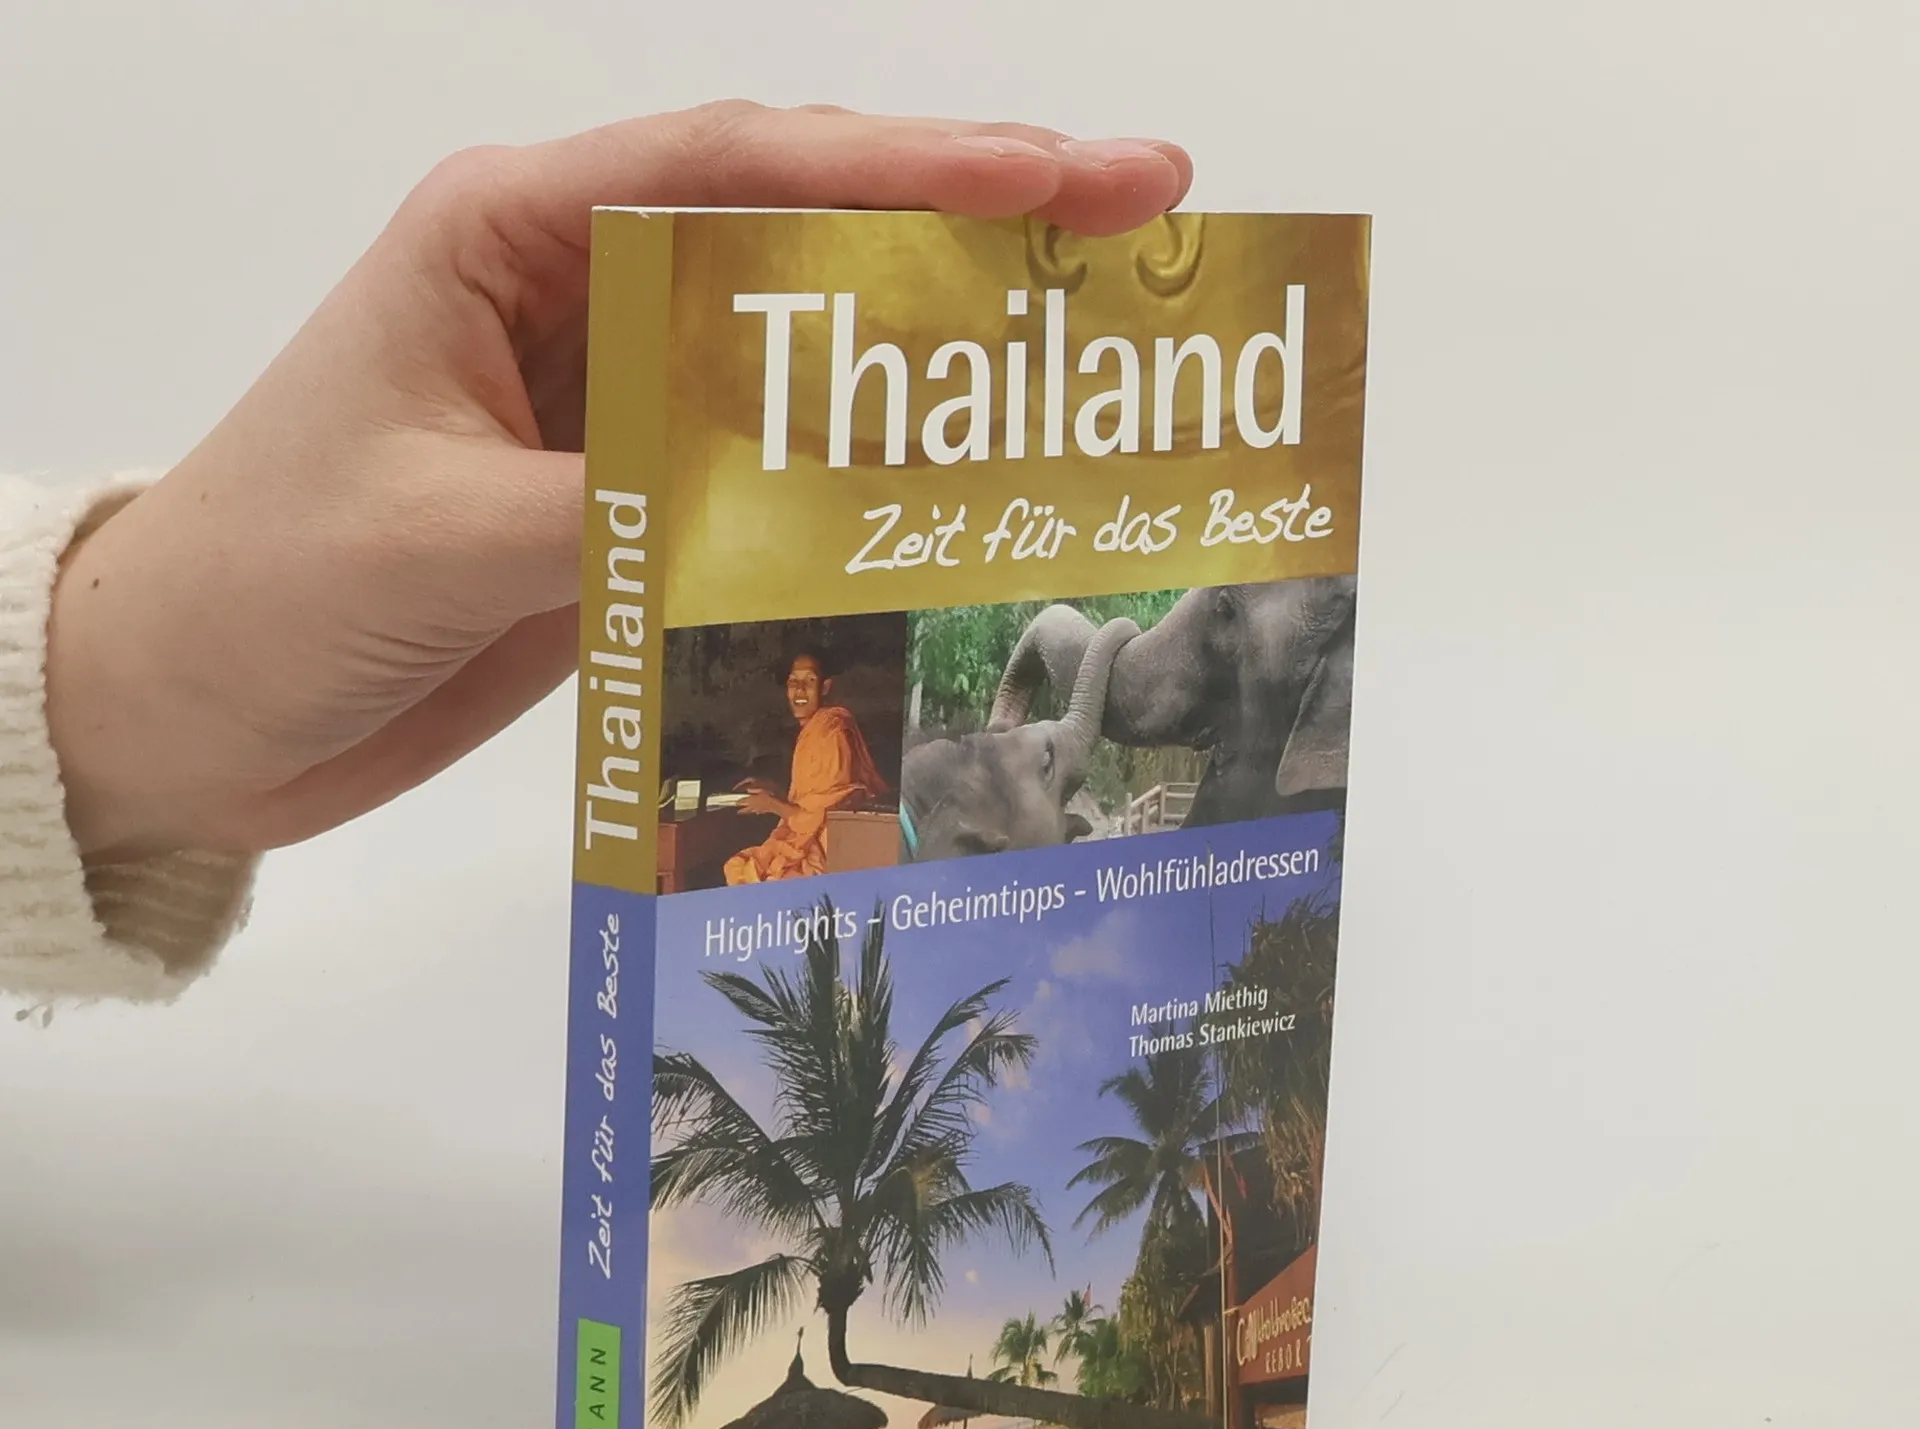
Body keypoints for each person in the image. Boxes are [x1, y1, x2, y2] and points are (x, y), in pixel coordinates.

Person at [0, 101, 1191, 1006]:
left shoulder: (846, 736)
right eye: (795, 685)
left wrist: (92, 694)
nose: (799, 692)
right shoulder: (847, 750)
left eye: (804, 685)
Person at [723, 647, 886, 885]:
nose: (799, 690)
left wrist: (773, 805)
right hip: (808, 839)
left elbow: (823, 814)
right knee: (739, 866)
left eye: (809, 681)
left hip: (826, 849)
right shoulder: (813, 730)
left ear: (825, 687)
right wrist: (775, 791)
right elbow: (810, 800)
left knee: (754, 875)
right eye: (793, 682)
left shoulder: (831, 733)